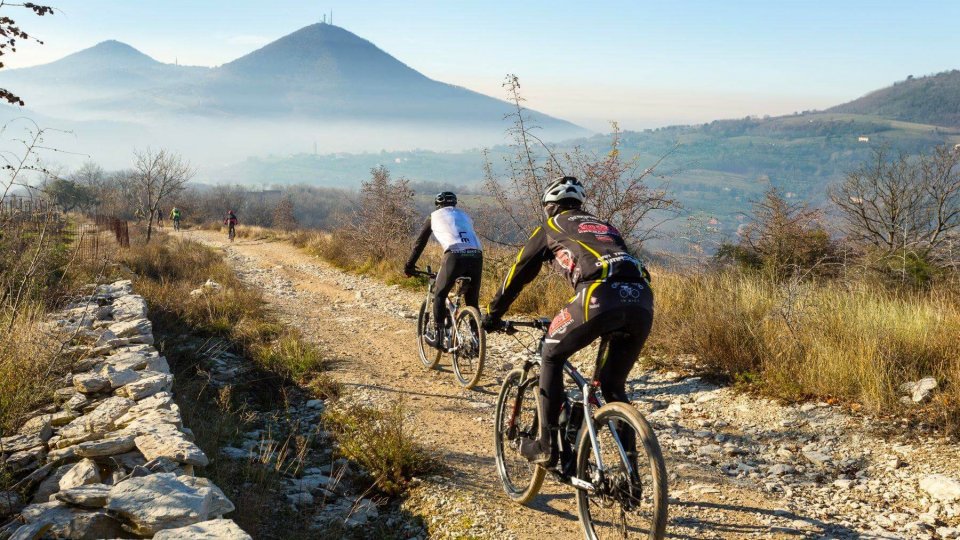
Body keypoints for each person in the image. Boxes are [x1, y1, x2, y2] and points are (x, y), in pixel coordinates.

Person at [483, 176, 653, 467]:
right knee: (613, 387)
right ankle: (632, 475)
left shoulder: (551, 227)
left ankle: (547, 446)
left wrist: (493, 313)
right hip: (642, 300)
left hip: (597, 296)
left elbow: (518, 273)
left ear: (550, 207)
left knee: (551, 354)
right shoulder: (606, 227)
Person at [404, 192, 483, 351]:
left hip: (454, 255)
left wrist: (409, 265)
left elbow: (419, 243)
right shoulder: (465, 216)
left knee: (439, 294)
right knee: (472, 302)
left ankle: (439, 338)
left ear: (437, 205)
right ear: (454, 204)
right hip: (476, 256)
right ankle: (477, 342)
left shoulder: (433, 217)